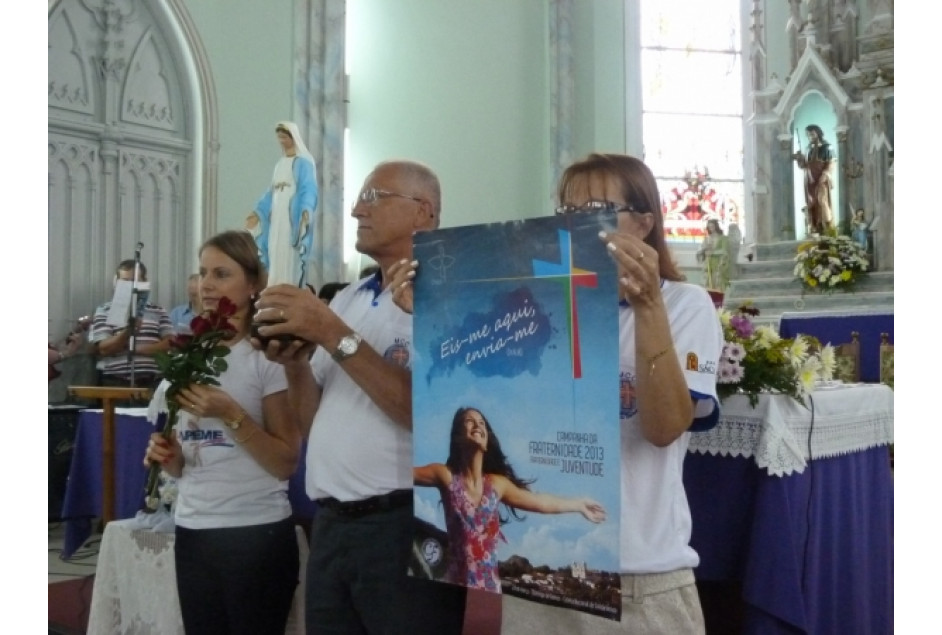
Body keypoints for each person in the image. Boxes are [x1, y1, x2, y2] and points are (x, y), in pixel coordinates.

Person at [494, 153, 721, 633]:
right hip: (540, 558)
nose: (578, 224)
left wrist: (648, 307)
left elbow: (663, 429)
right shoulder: (535, 311)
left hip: (635, 570)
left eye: (596, 207)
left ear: (643, 224)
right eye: (566, 211)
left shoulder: (685, 305)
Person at [252, 160, 467, 634]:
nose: (355, 210)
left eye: (373, 197)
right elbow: (314, 424)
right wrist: (294, 363)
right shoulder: (350, 298)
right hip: (333, 524)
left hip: (408, 523)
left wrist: (332, 332)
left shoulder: (453, 297)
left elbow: (430, 415)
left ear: (423, 212)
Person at [143, 230, 301, 635]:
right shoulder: (190, 356)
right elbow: (184, 464)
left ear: (252, 285)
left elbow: (284, 462)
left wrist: (231, 413)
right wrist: (168, 455)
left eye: (221, 273)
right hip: (195, 529)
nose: (207, 285)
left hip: (254, 531)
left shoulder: (268, 356)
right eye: (202, 273)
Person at [414, 406, 606, 592]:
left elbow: (540, 502)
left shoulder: (497, 485)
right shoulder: (445, 476)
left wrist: (579, 504)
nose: (477, 425)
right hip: (453, 584)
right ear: (458, 436)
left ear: (487, 441)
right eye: (469, 421)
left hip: (488, 590)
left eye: (481, 423)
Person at [246, 121, 319, 287]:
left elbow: (308, 188)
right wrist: (258, 212)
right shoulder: (280, 164)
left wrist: (306, 208)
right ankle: (274, 282)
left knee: (287, 246)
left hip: (291, 213)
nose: (281, 141)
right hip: (277, 211)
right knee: (274, 246)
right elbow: (271, 192)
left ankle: (289, 283)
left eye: (284, 137)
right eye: (279, 138)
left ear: (293, 138)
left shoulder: (303, 162)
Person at [88, 260, 173, 392]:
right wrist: (128, 331)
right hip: (116, 381)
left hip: (153, 381)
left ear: (144, 281)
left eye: (134, 281)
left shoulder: (158, 310)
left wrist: (136, 349)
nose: (129, 286)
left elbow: (171, 342)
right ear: (116, 282)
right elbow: (104, 348)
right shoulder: (104, 310)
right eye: (124, 281)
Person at [792, 124, 834, 234]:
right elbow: (804, 166)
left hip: (820, 178)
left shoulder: (826, 147)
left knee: (822, 201)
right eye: (808, 134)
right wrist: (799, 159)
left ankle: (828, 227)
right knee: (811, 203)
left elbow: (831, 163)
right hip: (809, 179)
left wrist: (825, 174)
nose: (810, 136)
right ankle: (815, 227)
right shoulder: (808, 148)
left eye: (812, 133)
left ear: (817, 133)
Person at [695, 219, 730, 293]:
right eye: (709, 227)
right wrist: (703, 250)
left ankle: (718, 300)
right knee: (707, 283)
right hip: (708, 263)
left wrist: (712, 253)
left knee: (717, 282)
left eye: (712, 226)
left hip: (718, 264)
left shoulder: (723, 238)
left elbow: (725, 251)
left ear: (716, 227)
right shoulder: (707, 239)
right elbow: (700, 251)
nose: (711, 228)